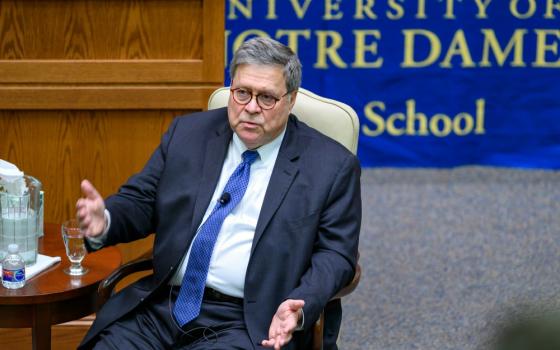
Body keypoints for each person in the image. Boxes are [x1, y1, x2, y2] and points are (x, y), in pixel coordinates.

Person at [76, 37, 361, 350]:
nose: (251, 108)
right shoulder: (188, 135)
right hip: (163, 308)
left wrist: (301, 304)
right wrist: (106, 219)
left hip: (249, 321)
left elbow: (336, 254)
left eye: (266, 98)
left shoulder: (330, 166)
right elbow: (142, 200)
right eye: (242, 93)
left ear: (290, 100)